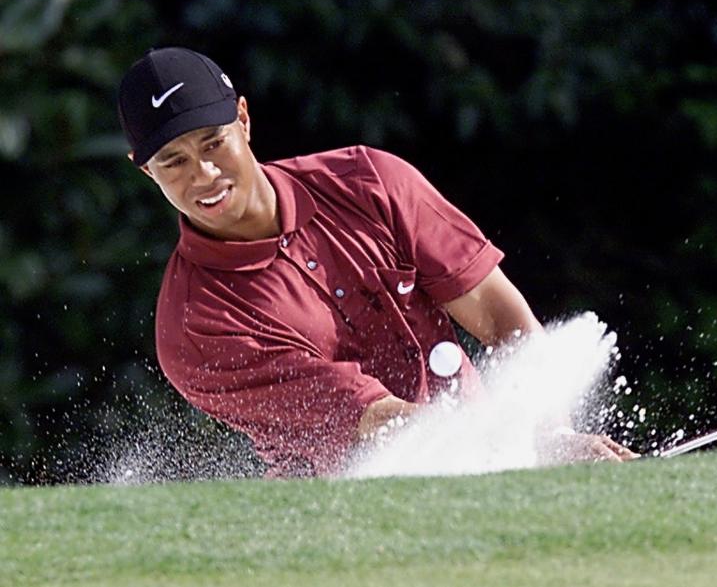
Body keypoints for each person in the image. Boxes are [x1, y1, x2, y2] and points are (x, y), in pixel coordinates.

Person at [117, 47, 636, 477]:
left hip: (486, 457)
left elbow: (500, 316)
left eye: (214, 142)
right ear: (145, 172)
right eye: (174, 162)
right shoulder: (193, 327)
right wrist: (502, 453)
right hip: (342, 526)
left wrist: (554, 437)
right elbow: (372, 416)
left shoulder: (369, 181)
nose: (204, 173)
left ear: (245, 120)